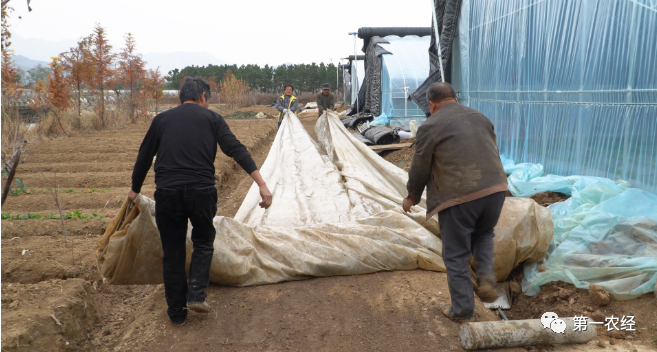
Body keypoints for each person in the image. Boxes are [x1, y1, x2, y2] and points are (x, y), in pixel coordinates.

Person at [128, 77, 273, 326]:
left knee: (172, 252)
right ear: (204, 97)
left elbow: (144, 156)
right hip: (201, 191)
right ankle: (196, 294)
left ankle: (176, 312)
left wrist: (134, 190)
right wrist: (261, 184)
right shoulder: (212, 119)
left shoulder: (161, 120)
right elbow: (236, 149)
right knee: (203, 242)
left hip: (168, 192)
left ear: (180, 98)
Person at [402, 82, 507, 322]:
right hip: (496, 189)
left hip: (460, 195)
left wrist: (412, 196)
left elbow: (420, 166)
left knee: (456, 254)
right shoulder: (480, 117)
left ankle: (462, 311)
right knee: (483, 234)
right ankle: (487, 281)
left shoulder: (430, 126)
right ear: (455, 98)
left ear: (431, 104)